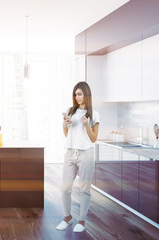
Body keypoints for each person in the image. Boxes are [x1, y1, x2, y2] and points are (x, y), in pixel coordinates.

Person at [55, 81, 100, 233]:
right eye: (75, 94)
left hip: (86, 154)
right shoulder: (71, 111)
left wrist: (87, 125)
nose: (77, 97)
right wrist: (64, 124)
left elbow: (94, 139)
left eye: (79, 94)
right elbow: (68, 135)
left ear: (86, 94)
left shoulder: (94, 114)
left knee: (84, 189)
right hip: (70, 153)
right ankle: (67, 218)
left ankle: (82, 220)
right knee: (65, 188)